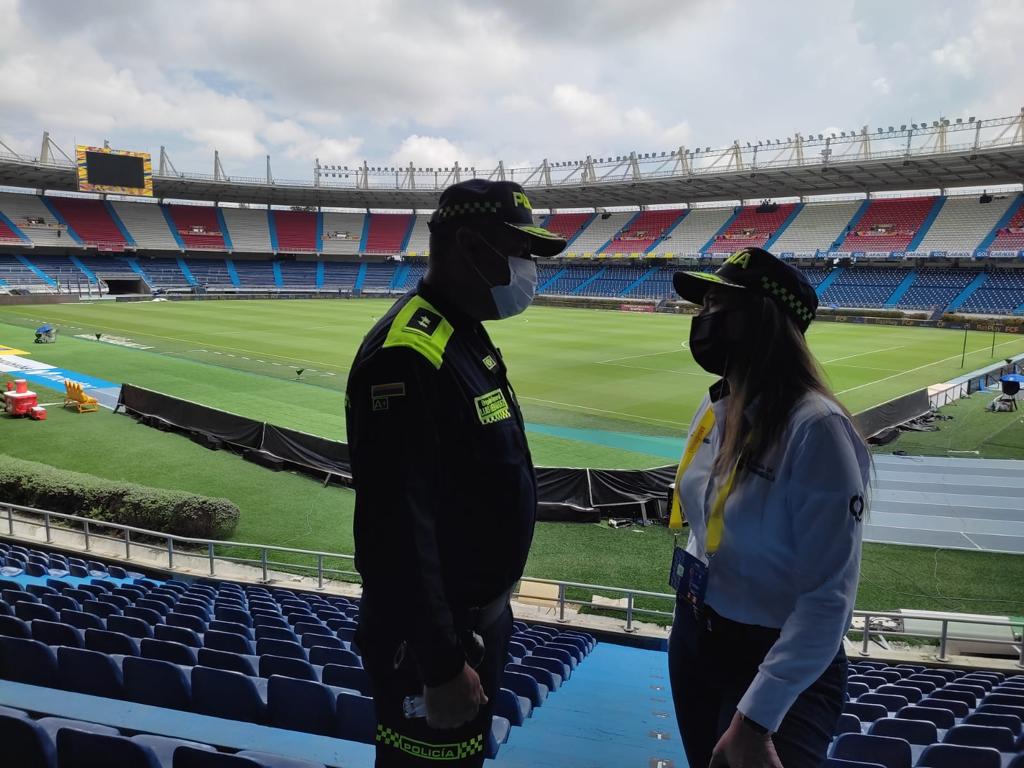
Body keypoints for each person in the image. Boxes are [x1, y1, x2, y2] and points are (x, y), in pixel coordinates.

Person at [345, 179, 566, 766]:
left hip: (474, 624)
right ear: (471, 246)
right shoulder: (406, 355)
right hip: (433, 644)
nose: (527, 268)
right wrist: (440, 664)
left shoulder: (463, 333)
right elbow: (395, 529)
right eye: (519, 251)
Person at [667, 247, 871, 768]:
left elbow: (829, 597)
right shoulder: (718, 403)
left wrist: (757, 717)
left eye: (716, 304)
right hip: (696, 638)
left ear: (761, 320)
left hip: (777, 659)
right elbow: (704, 524)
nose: (702, 318)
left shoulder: (817, 430)